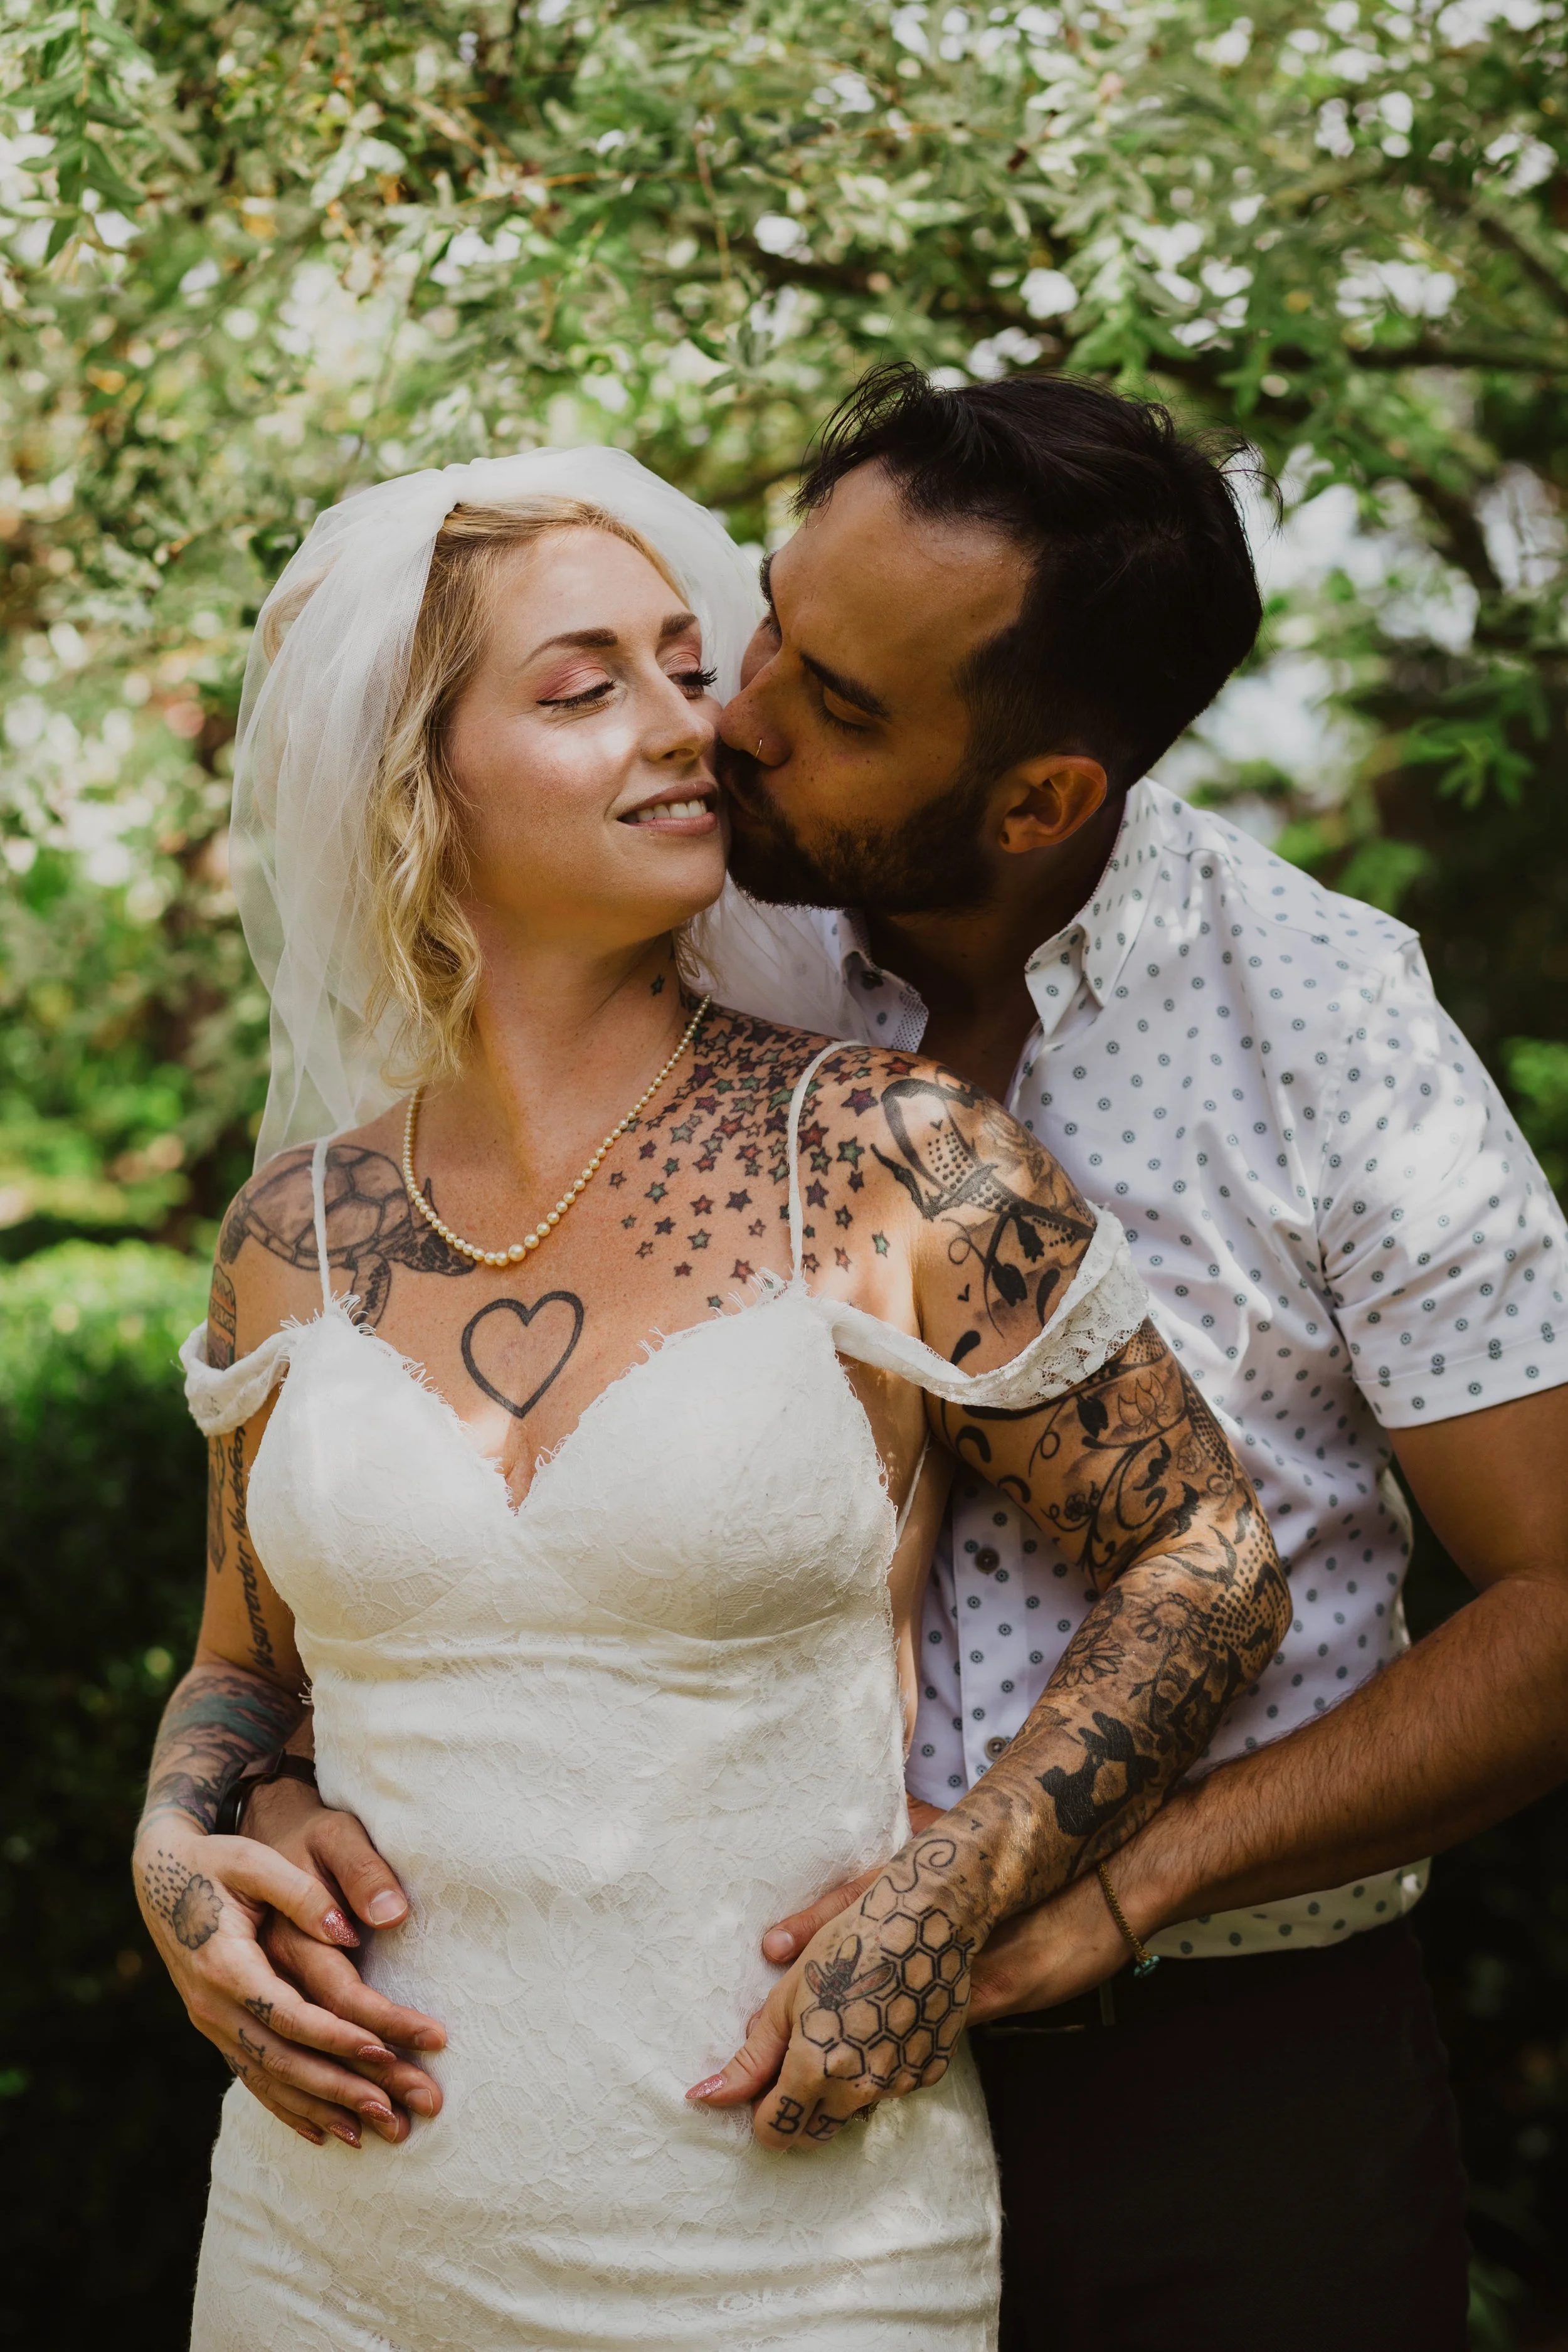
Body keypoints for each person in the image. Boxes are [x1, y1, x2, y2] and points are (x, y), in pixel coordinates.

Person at [211, 367, 1568, 2352]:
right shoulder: (705, 934)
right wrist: (223, 1810)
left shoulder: (1324, 1020)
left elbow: (1550, 1597)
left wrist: (1098, 1888)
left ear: (1038, 799)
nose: (727, 717)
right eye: (767, 621)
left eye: (834, 706)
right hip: (702, 2104)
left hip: (1208, 2069)